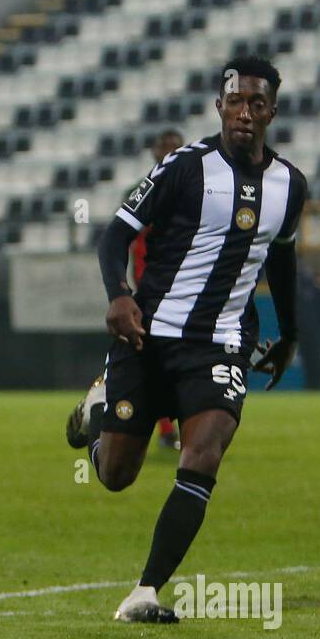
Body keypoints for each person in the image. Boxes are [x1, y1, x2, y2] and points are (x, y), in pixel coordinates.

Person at [65, 55, 306, 623]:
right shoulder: (184, 166)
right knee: (117, 475)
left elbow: (284, 261)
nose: (245, 112)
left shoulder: (289, 185)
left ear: (272, 111)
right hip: (149, 335)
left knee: (205, 452)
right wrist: (118, 295)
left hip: (221, 344)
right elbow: (113, 238)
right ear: (219, 106)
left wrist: (288, 333)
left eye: (257, 103)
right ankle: (99, 413)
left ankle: (144, 592)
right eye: (235, 101)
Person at [130, 128, 185, 450]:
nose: (169, 153)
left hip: (192, 292)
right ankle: (166, 430)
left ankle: (186, 427)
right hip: (157, 293)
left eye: (175, 148)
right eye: (164, 147)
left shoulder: (200, 191)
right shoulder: (144, 192)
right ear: (153, 152)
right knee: (159, 361)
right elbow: (135, 247)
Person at [296, 263, 320, 390]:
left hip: (314, 331)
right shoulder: (298, 290)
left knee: (316, 359)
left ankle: (319, 385)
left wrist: (316, 322)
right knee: (306, 359)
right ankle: (310, 385)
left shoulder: (317, 290)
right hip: (304, 331)